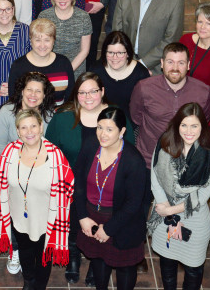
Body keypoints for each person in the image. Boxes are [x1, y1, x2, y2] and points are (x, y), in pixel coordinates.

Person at [0, 110, 74, 290]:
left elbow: (69, 187)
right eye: (24, 127)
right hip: (18, 217)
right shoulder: (9, 153)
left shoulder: (55, 157)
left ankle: (40, 285)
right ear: (18, 131)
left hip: (46, 221)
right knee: (25, 252)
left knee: (43, 256)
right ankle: (28, 280)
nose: (29, 131)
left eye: (33, 126)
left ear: (41, 127)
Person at [73, 107, 149, 290]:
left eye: (109, 129)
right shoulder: (91, 145)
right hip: (92, 216)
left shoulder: (133, 160)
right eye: (100, 127)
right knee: (99, 259)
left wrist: (109, 229)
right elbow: (78, 182)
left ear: (122, 131)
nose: (102, 134)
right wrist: (82, 216)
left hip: (122, 222)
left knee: (125, 267)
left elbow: (134, 204)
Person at [45, 72, 110, 283]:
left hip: (104, 189)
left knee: (100, 228)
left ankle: (95, 263)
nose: (88, 97)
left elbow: (127, 151)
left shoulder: (115, 116)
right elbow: (49, 152)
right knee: (73, 226)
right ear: (76, 94)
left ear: (102, 92)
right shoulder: (62, 116)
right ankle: (74, 258)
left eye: (93, 91)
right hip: (70, 186)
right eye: (82, 92)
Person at [148, 103, 210, 290]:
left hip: (193, 218)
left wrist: (170, 210)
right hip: (163, 211)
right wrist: (164, 205)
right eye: (184, 125)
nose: (189, 131)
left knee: (193, 270)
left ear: (202, 127)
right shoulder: (164, 143)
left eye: (194, 126)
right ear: (177, 125)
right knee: (167, 264)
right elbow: (155, 176)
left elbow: (203, 194)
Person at [129, 43, 210, 167]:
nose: (175, 68)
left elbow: (203, 121)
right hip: (149, 160)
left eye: (181, 63)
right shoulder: (143, 88)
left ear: (188, 65)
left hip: (186, 162)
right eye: (170, 62)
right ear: (162, 63)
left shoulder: (204, 92)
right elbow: (136, 117)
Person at [112, 0, 184, 73]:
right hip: (124, 61)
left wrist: (142, 64)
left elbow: (170, 41)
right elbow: (117, 31)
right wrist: (126, 60)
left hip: (155, 67)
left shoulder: (175, 1)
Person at [90, 31, 150, 143]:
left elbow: (146, 107)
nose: (115, 57)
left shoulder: (140, 73)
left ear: (127, 53)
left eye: (120, 53)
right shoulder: (96, 70)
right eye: (110, 52)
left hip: (130, 128)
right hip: (101, 126)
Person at [8, 18, 75, 106]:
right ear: (31, 41)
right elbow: (14, 100)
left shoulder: (64, 63)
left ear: (53, 41)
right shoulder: (18, 66)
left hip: (59, 116)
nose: (42, 45)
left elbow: (70, 98)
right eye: (38, 40)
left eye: (47, 40)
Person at [39, 0, 93, 79]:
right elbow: (40, 47)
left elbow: (84, 50)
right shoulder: (44, 16)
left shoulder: (83, 17)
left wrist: (67, 71)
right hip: (49, 71)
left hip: (75, 72)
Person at [0, 71, 56, 156]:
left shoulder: (50, 115)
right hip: (11, 163)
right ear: (22, 91)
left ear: (44, 95)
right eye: (29, 90)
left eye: (38, 91)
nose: (33, 94)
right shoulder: (6, 112)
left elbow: (53, 148)